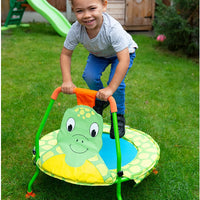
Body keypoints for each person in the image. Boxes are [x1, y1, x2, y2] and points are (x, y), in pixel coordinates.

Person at [60, 0, 138, 139]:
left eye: (92, 8)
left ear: (104, 6)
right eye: (80, 11)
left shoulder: (112, 28)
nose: (86, 15)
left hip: (122, 54)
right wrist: (67, 80)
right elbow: (66, 54)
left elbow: (124, 60)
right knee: (89, 75)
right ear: (73, 10)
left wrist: (110, 88)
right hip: (99, 54)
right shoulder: (76, 29)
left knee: (116, 85)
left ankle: (118, 117)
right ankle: (102, 101)